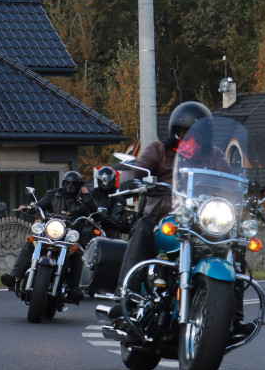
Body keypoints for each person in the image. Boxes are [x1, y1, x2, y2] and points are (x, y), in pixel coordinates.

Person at [107, 101, 251, 336]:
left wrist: (243, 194)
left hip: (202, 222)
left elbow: (230, 181)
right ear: (176, 132)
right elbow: (137, 169)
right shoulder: (159, 150)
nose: (192, 139)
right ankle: (125, 300)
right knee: (142, 227)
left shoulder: (214, 155)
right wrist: (132, 180)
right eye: (186, 133)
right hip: (165, 218)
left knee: (236, 245)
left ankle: (233, 318)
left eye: (199, 135)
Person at [0, 170, 91, 303]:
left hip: (68, 236)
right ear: (63, 183)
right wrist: (29, 207)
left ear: (79, 185)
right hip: (50, 232)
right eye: (68, 183)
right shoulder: (53, 194)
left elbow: (93, 211)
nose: (70, 186)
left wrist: (90, 203)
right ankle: (15, 278)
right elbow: (40, 205)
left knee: (79, 254)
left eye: (74, 184)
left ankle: (74, 289)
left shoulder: (83, 199)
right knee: (30, 243)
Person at [82, 165, 128, 236]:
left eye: (108, 178)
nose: (105, 181)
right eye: (103, 179)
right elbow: (86, 204)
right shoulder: (93, 192)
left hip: (111, 225)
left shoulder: (118, 192)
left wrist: (115, 214)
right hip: (94, 224)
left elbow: (120, 204)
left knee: (114, 237)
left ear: (113, 179)